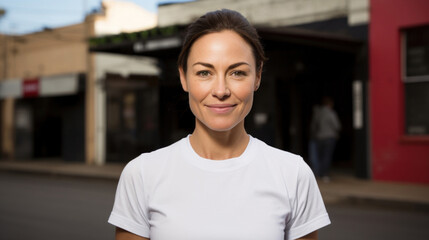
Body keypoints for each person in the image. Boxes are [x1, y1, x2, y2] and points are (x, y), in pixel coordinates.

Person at [108, 9, 330, 240]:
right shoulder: (142, 174)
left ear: (257, 77)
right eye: (204, 72)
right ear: (183, 78)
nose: (221, 91)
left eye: (237, 72)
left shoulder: (293, 175)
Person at [314, 96, 341, 181]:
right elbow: (337, 126)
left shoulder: (318, 113)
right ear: (330, 104)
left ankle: (318, 174)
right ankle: (325, 175)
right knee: (327, 156)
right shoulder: (331, 113)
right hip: (329, 137)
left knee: (320, 157)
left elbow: (315, 124)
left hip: (319, 137)